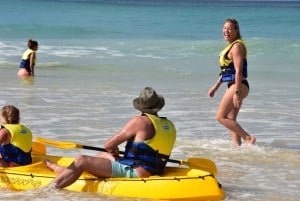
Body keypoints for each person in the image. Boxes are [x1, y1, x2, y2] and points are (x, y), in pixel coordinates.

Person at [45, 87, 176, 189]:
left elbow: (109, 144)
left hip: (137, 172)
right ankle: (63, 172)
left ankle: (49, 189)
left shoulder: (140, 121)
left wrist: (114, 148)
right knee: (102, 155)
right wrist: (113, 151)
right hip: (155, 169)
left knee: (81, 160)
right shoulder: (168, 124)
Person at [208, 18, 256, 146]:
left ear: (236, 30)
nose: (226, 31)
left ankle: (247, 138)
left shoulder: (237, 47)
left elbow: (238, 71)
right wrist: (216, 86)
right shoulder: (230, 46)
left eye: (229, 29)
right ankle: (237, 148)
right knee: (230, 119)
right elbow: (226, 71)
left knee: (220, 117)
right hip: (235, 85)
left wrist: (236, 92)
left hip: (238, 85)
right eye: (224, 29)